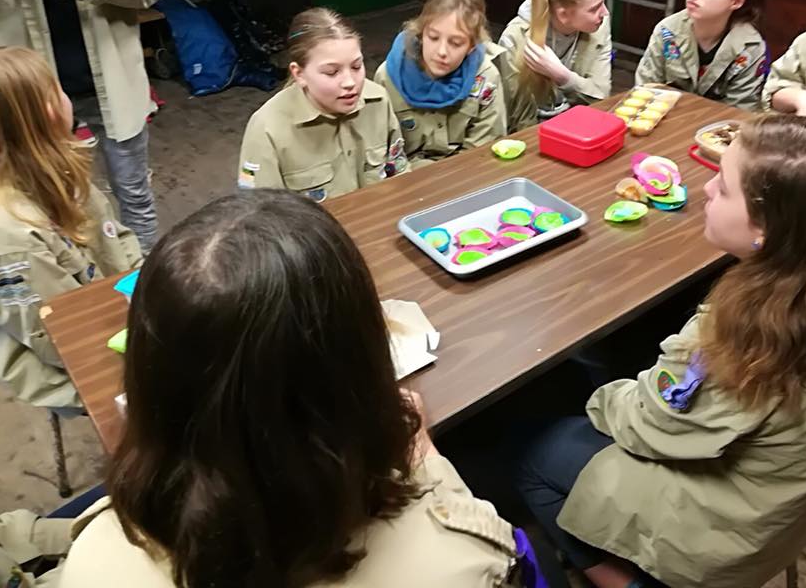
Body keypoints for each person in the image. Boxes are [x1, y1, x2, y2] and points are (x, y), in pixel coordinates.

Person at [59, 190, 532, 588]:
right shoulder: (457, 560)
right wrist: (427, 459)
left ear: (149, 380)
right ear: (362, 362)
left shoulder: (92, 559)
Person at [517, 115, 806, 588]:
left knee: (538, 450)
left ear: (769, 228)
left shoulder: (758, 335)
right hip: (785, 502)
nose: (705, 189)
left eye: (723, 187)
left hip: (725, 535)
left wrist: (599, 398)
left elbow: (649, 422)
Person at [0, 0, 174, 251]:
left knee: (134, 199)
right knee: (36, 208)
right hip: (22, 93)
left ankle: (140, 281)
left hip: (111, 78)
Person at [0, 47, 142, 409]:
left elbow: (118, 240)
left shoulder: (61, 174)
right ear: (50, 111)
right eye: (58, 88)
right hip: (71, 368)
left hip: (115, 321)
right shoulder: (13, 236)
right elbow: (60, 337)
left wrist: (147, 291)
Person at [238, 8, 409, 201]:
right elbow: (261, 211)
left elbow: (398, 171)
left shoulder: (377, 100)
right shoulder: (266, 129)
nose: (350, 82)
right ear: (299, 74)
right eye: (331, 72)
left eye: (356, 66)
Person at [375, 0, 507, 166]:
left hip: (467, 171)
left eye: (456, 43)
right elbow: (383, 153)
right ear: (421, 34)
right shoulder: (387, 77)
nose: (442, 51)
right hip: (409, 175)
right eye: (433, 37)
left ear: (471, 47)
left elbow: (484, 149)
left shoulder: (485, 77)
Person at [634, 0, 768, 110]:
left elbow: (740, 113)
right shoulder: (666, 31)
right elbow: (644, 93)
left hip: (719, 125)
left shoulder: (750, 48)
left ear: (736, 1)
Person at [497, 0, 612, 132]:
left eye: (603, 2)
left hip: (578, 125)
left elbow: (601, 97)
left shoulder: (599, 25)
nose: (605, 12)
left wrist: (562, 76)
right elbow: (517, 116)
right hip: (532, 132)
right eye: (594, 8)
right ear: (563, 15)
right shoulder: (516, 38)